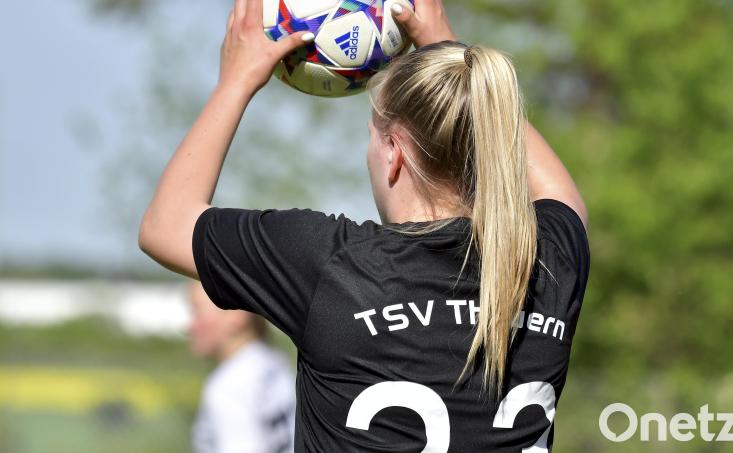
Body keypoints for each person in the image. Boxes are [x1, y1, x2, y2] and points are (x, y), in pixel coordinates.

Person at [139, 0, 590, 450]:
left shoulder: (331, 266)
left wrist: (235, 82)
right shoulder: (545, 264)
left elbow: (165, 225)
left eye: (373, 134)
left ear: (393, 153)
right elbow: (559, 194)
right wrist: (446, 48)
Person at [186, 280, 296, 453]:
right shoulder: (274, 362)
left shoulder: (229, 384)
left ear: (236, 314)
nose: (189, 327)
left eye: (196, 311)